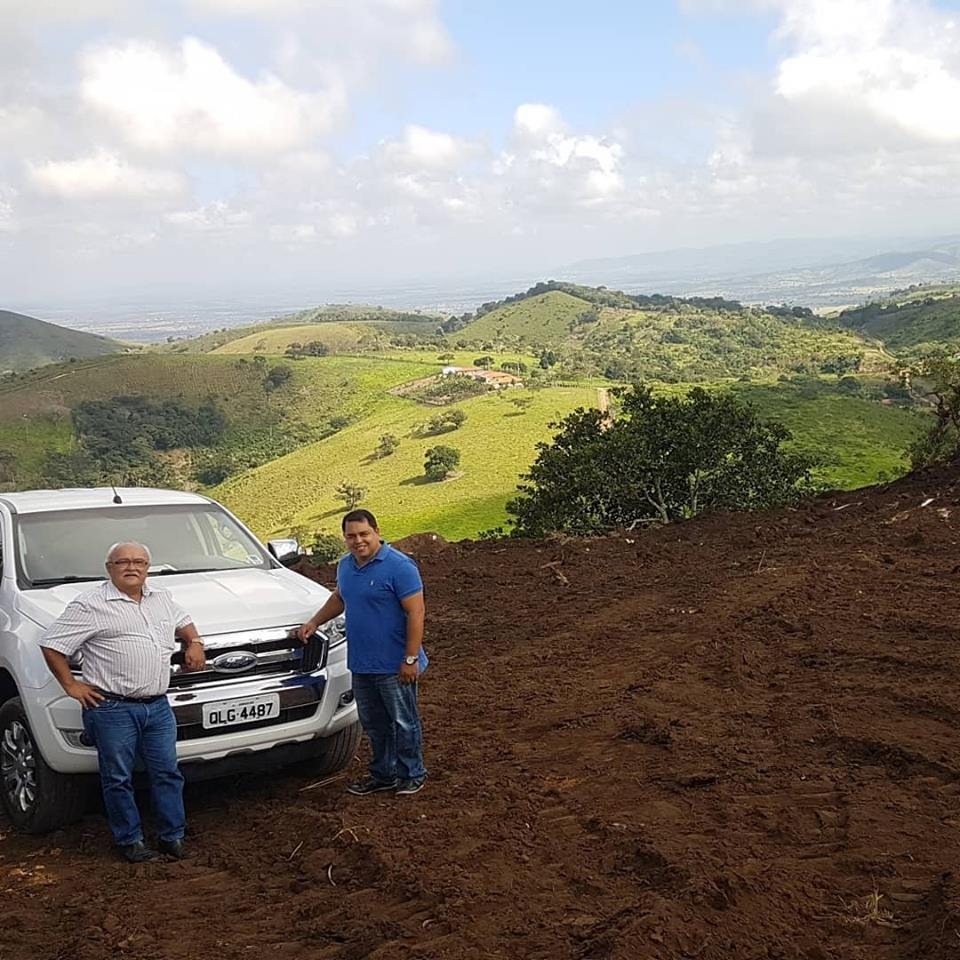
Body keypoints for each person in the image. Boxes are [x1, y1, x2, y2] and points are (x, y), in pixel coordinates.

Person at [40, 541, 206, 863]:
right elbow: (52, 644)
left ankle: (172, 836)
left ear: (148, 567)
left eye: (140, 562)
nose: (132, 568)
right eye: (123, 562)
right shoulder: (89, 605)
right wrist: (71, 685)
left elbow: (182, 619)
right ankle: (129, 840)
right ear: (109, 568)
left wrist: (194, 640)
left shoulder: (161, 597)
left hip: (158, 706)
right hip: (112, 708)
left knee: (168, 773)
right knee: (118, 778)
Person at [300, 509, 428, 796]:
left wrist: (410, 658)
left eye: (363, 534)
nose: (358, 541)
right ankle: (384, 774)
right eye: (351, 536)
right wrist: (314, 622)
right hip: (361, 662)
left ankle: (412, 774)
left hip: (394, 664)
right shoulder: (345, 566)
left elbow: (416, 613)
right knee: (374, 723)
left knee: (404, 720)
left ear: (377, 532)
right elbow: (340, 598)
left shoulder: (399, 566)